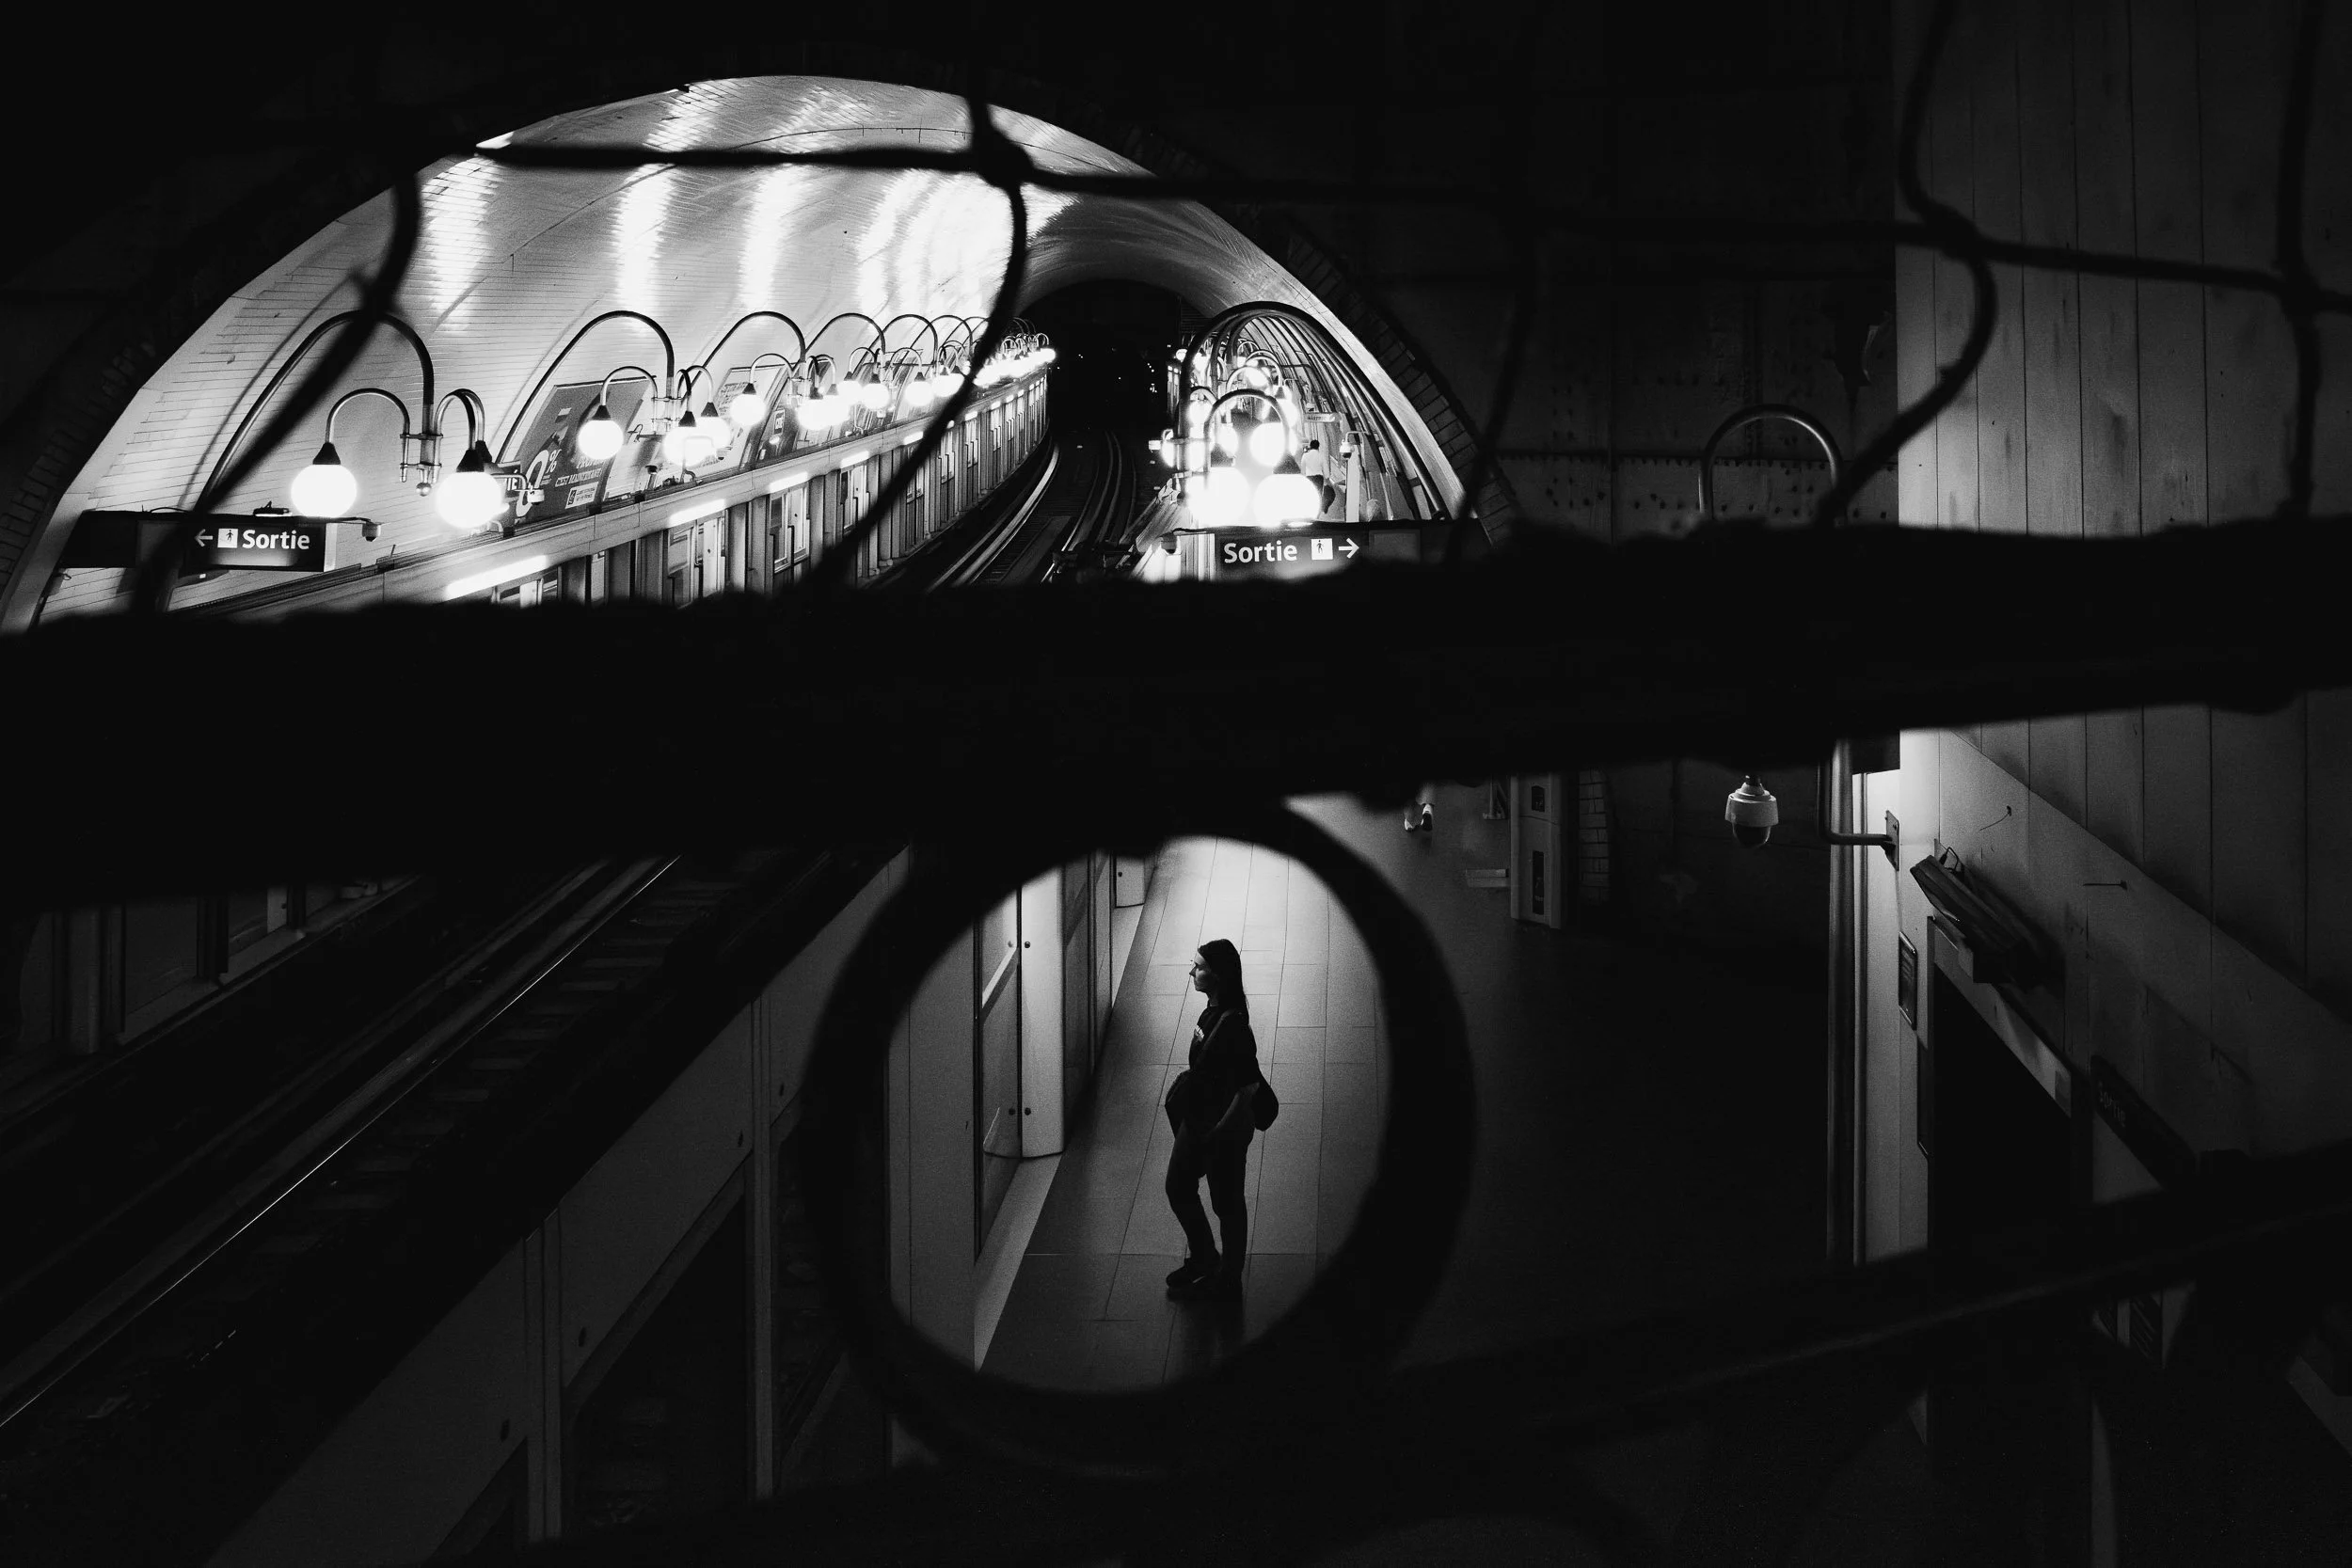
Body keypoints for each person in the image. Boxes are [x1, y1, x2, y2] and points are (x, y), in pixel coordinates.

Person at [1165, 938, 1263, 1301]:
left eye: (1199, 967)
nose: (1192, 971)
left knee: (1227, 1202)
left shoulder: (1235, 1027)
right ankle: (1206, 1257)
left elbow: (1248, 1088)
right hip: (1199, 1121)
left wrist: (1220, 1133)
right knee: (1178, 1187)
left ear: (1218, 975)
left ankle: (1229, 1274)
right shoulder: (1212, 1011)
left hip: (1222, 1131)